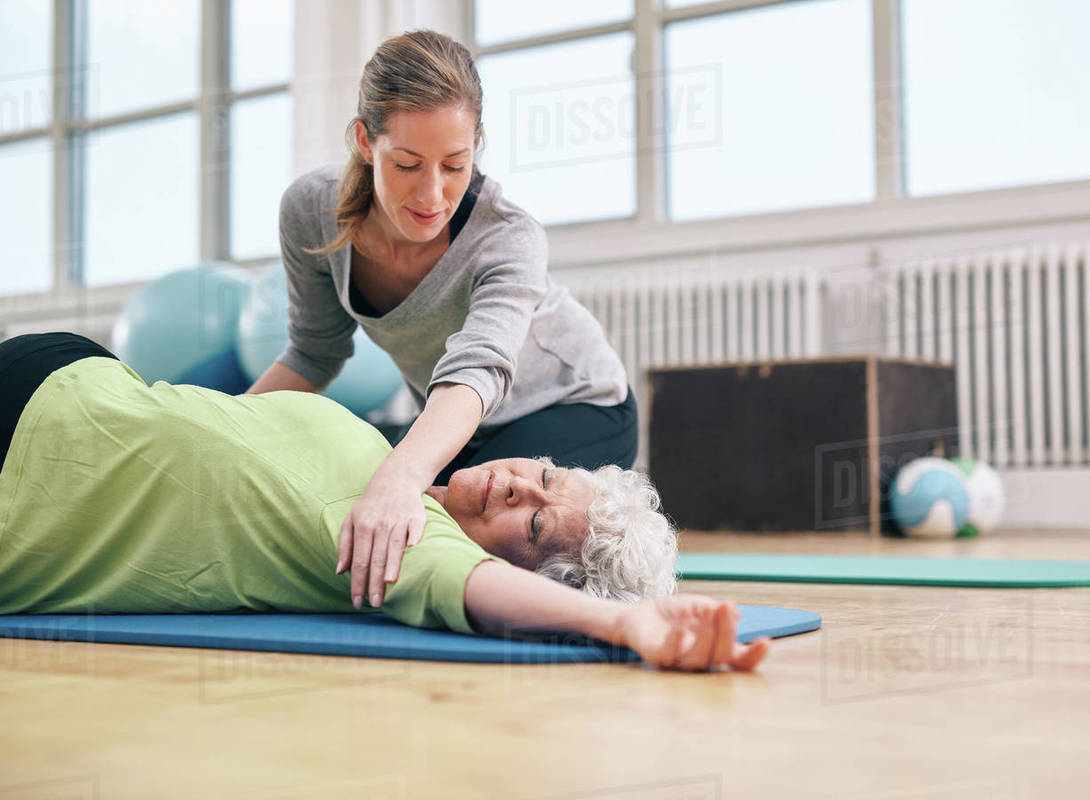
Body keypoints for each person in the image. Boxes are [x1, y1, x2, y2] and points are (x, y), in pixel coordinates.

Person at [0, 333, 770, 672]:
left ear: (534, 577)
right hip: (75, 375)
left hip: (23, 480)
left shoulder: (410, 550)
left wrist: (622, 622)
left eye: (534, 523)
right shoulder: (400, 467)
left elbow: (477, 594)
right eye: (543, 472)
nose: (516, 484)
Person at [244, 30, 635, 613]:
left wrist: (400, 478)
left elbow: (477, 370)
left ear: (477, 145)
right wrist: (215, 420)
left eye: (455, 165)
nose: (432, 194)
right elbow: (312, 353)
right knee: (358, 503)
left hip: (572, 407)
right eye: (407, 164)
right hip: (457, 420)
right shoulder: (310, 211)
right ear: (363, 142)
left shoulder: (509, 237)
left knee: (429, 525)